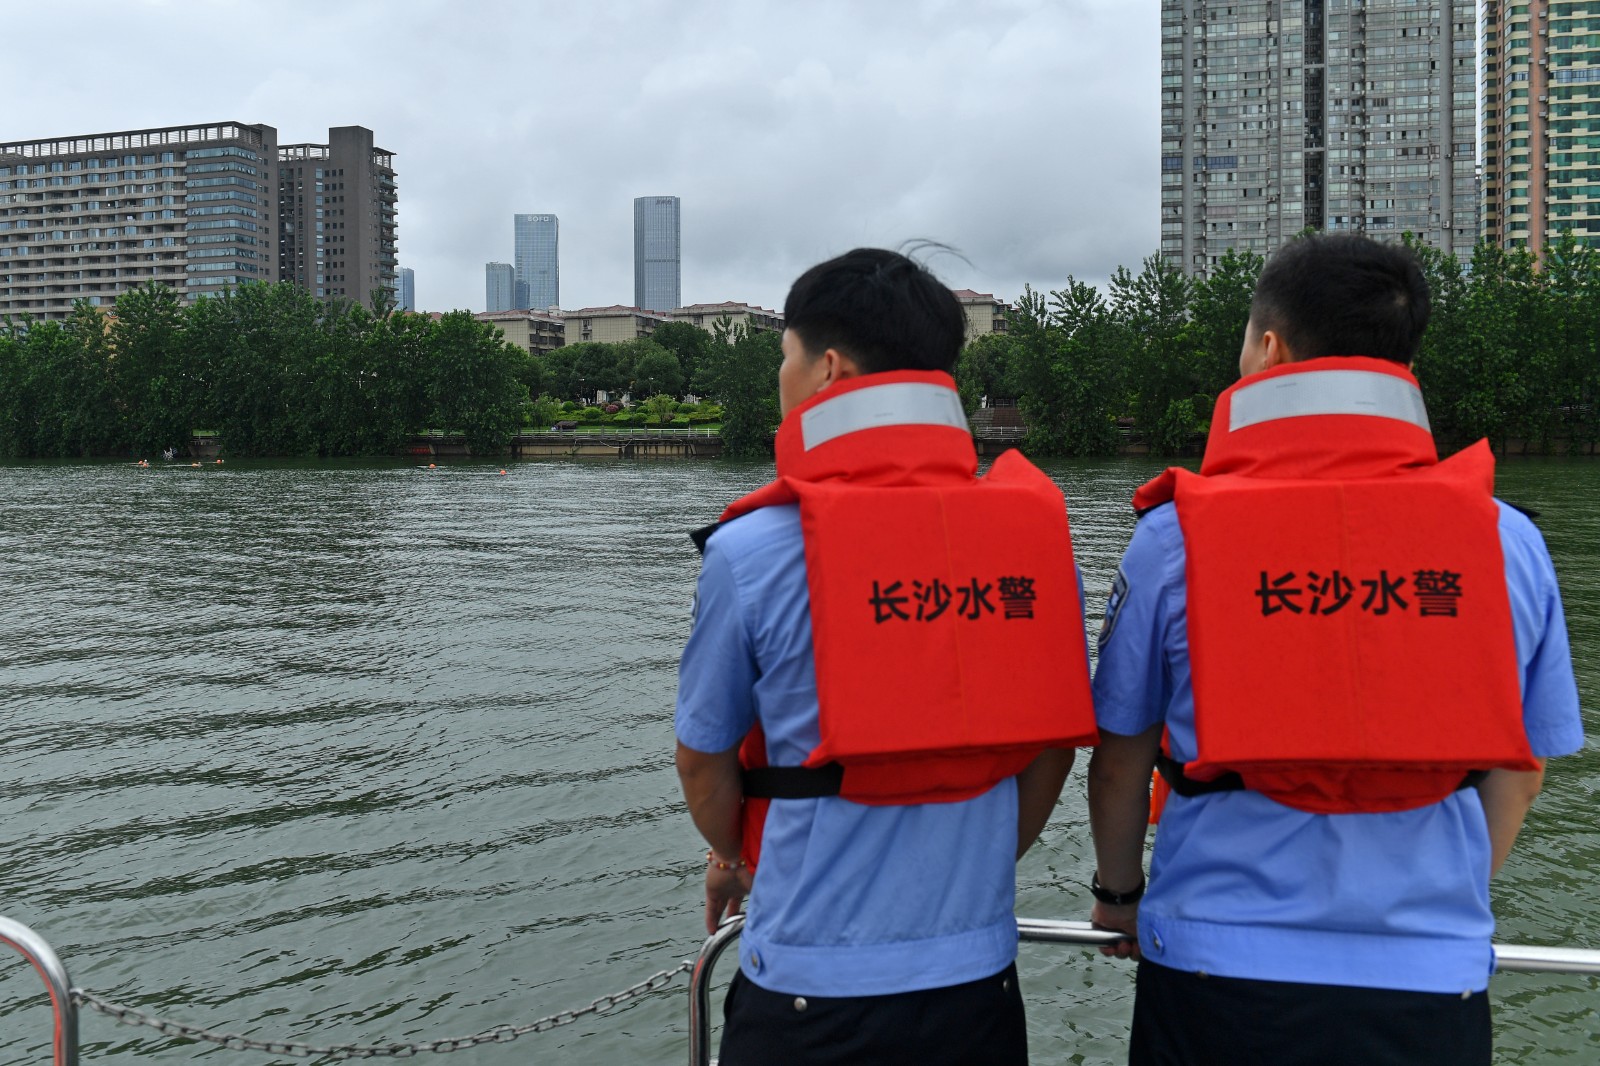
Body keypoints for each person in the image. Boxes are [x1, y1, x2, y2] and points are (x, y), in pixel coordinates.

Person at [1086, 234, 1583, 1066]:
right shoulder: (1507, 542)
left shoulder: (1172, 540)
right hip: (1430, 981)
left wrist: (1119, 895)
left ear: (1270, 348)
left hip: (1216, 969)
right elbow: (1521, 769)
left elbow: (1119, 761)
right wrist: (1445, 900)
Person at [675, 247, 1097, 1065]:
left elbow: (703, 764)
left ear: (827, 370)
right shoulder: (1032, 540)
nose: (782, 378)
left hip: (806, 987)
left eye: (783, 357)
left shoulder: (752, 549)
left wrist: (738, 855)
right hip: (977, 984)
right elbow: (1055, 746)